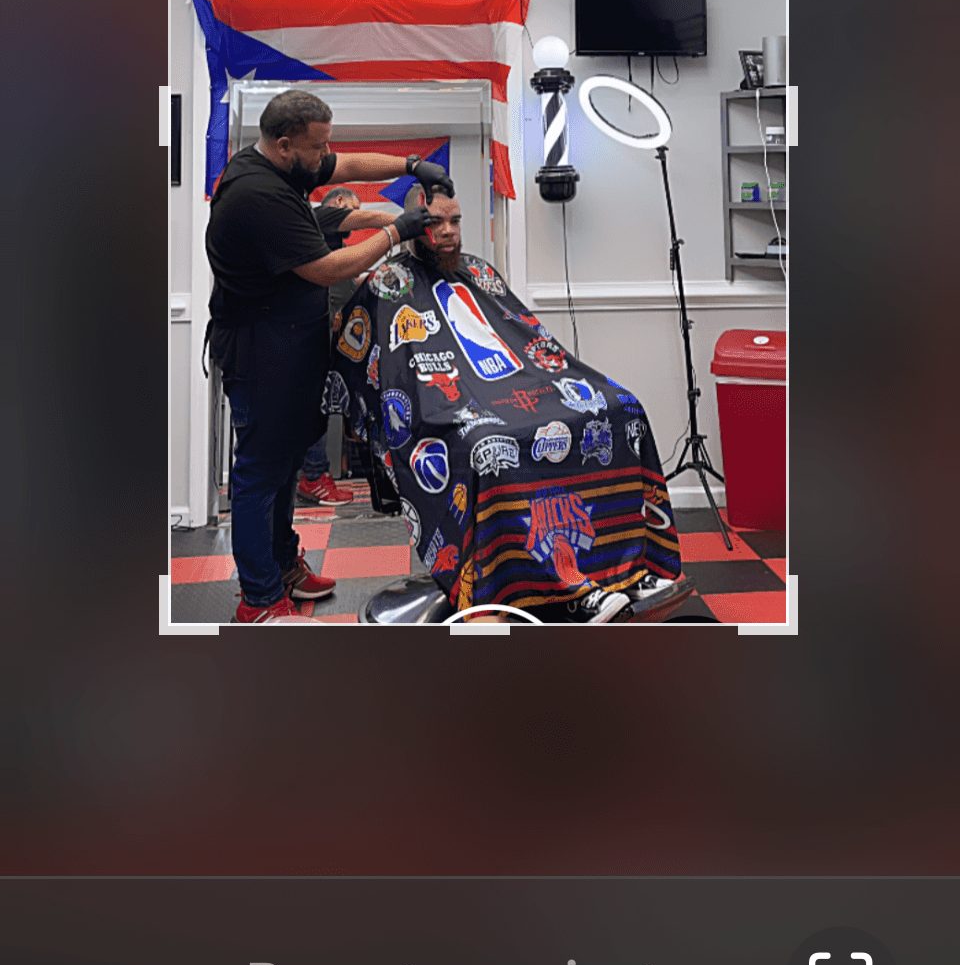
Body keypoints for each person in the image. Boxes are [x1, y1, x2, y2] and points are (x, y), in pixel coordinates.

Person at [334, 184, 690, 623]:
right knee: (490, 445)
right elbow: (379, 371)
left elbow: (528, 339)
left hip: (516, 391)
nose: (448, 231)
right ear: (411, 227)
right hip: (442, 410)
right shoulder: (389, 284)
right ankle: (555, 590)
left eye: (455, 221)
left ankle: (630, 568)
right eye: (434, 222)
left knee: (622, 408)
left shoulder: (480, 272)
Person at [205, 90, 451, 623]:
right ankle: (259, 599)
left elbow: (350, 164)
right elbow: (328, 269)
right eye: (317, 148)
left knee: (286, 465)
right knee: (260, 471)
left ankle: (281, 566)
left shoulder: (283, 165)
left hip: (289, 344)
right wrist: (396, 229)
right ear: (285, 144)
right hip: (260, 350)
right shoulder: (257, 194)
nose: (325, 157)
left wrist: (412, 165)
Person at [298, 186, 397, 506]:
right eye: (353, 209)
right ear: (339, 202)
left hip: (322, 344)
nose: (353, 221)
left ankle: (313, 475)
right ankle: (314, 477)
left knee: (318, 408)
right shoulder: (314, 225)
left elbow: (344, 287)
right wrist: (394, 225)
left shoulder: (335, 248)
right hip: (301, 342)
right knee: (311, 409)